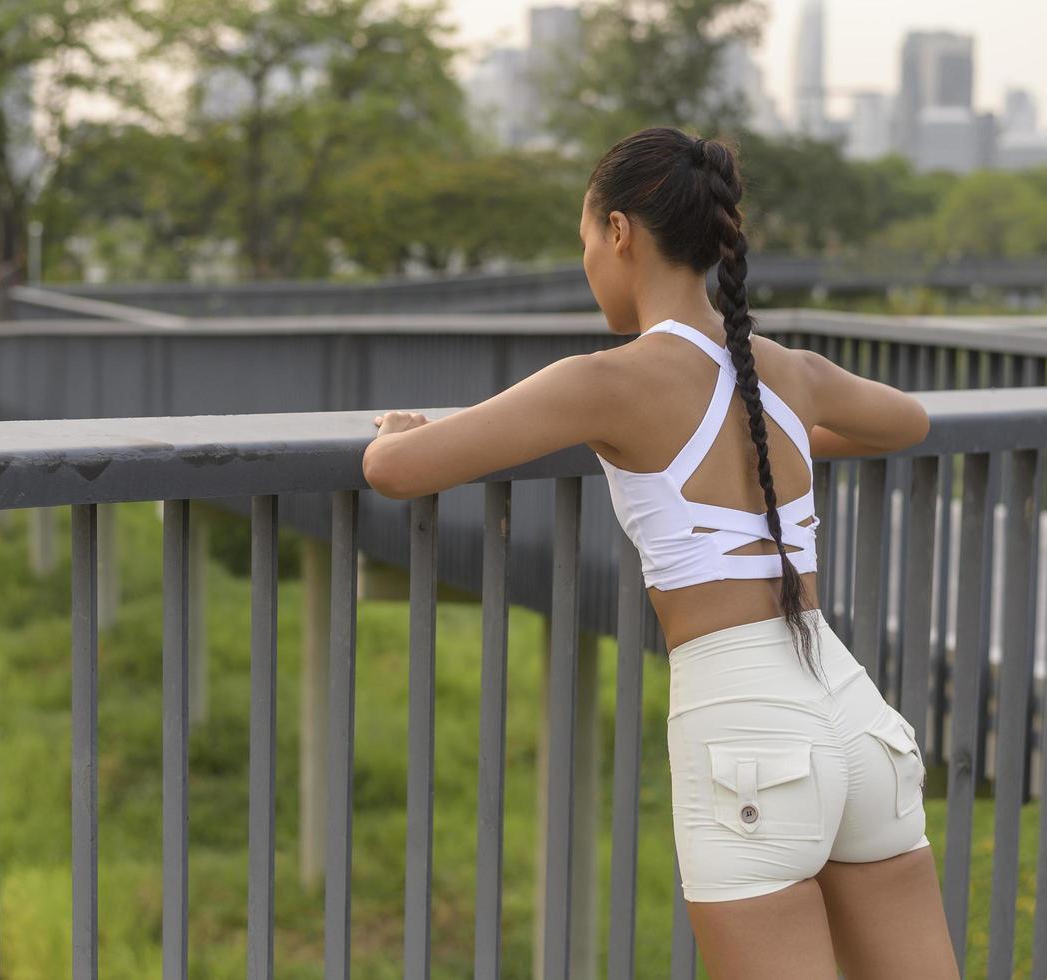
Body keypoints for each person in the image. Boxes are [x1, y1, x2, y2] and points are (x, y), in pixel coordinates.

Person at [362, 127, 957, 979]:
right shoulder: (789, 372)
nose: (586, 266)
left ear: (618, 234)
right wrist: (775, 453)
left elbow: (396, 473)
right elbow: (909, 421)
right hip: (856, 713)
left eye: (582, 243)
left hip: (747, 736)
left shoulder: (603, 383)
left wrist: (394, 428)